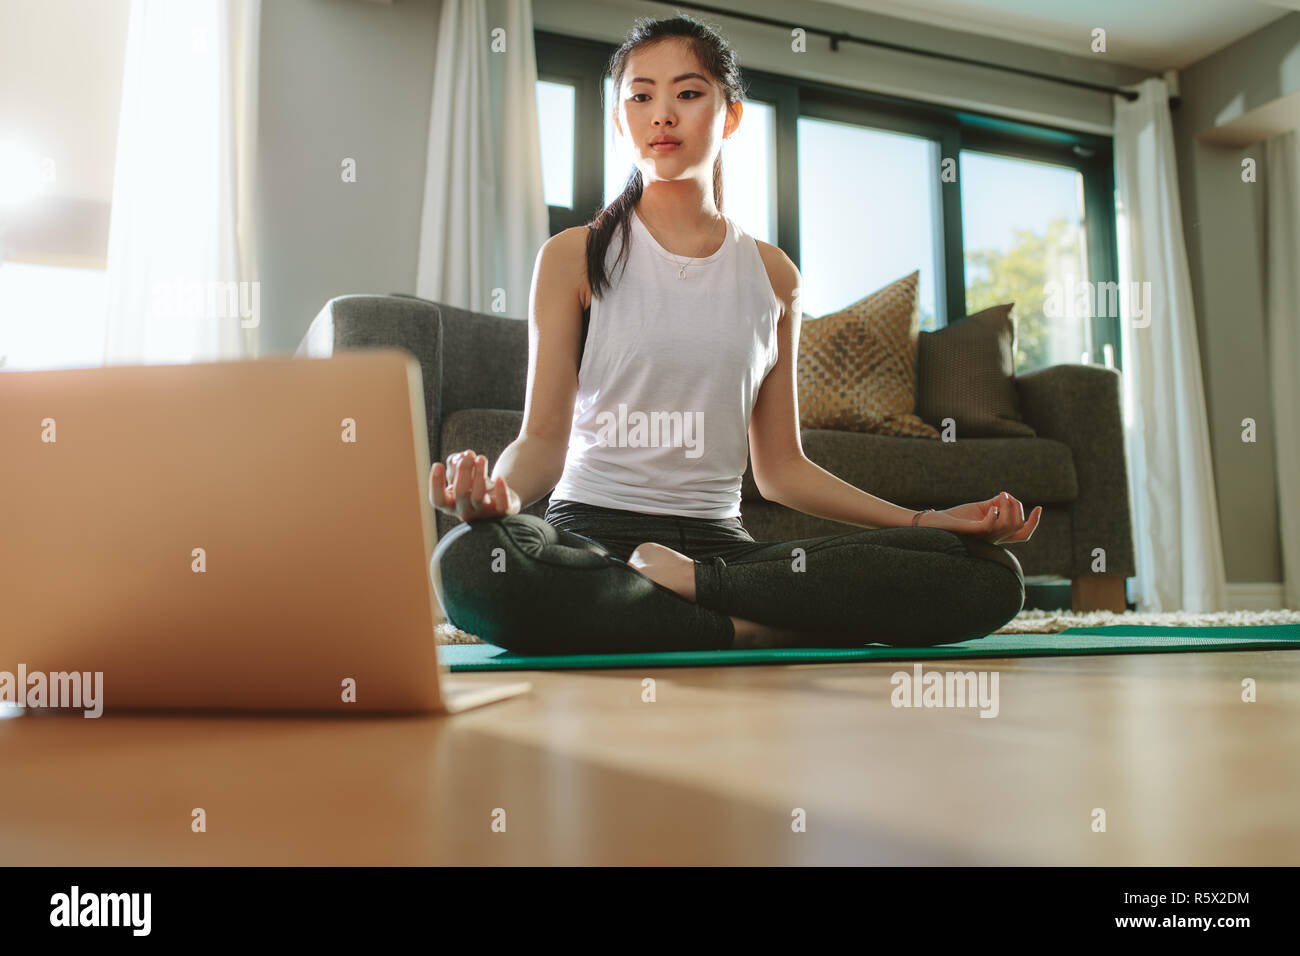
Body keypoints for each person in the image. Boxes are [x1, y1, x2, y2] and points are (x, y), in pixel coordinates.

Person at [428, 14, 1041, 654]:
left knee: (988, 575)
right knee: (472, 563)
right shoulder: (572, 256)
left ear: (730, 115)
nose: (662, 114)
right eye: (640, 97)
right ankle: (758, 628)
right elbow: (543, 441)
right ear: (621, 121)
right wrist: (499, 496)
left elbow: (781, 469)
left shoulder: (774, 276)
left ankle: (699, 598)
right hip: (592, 539)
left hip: (720, 553)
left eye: (688, 94)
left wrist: (927, 520)